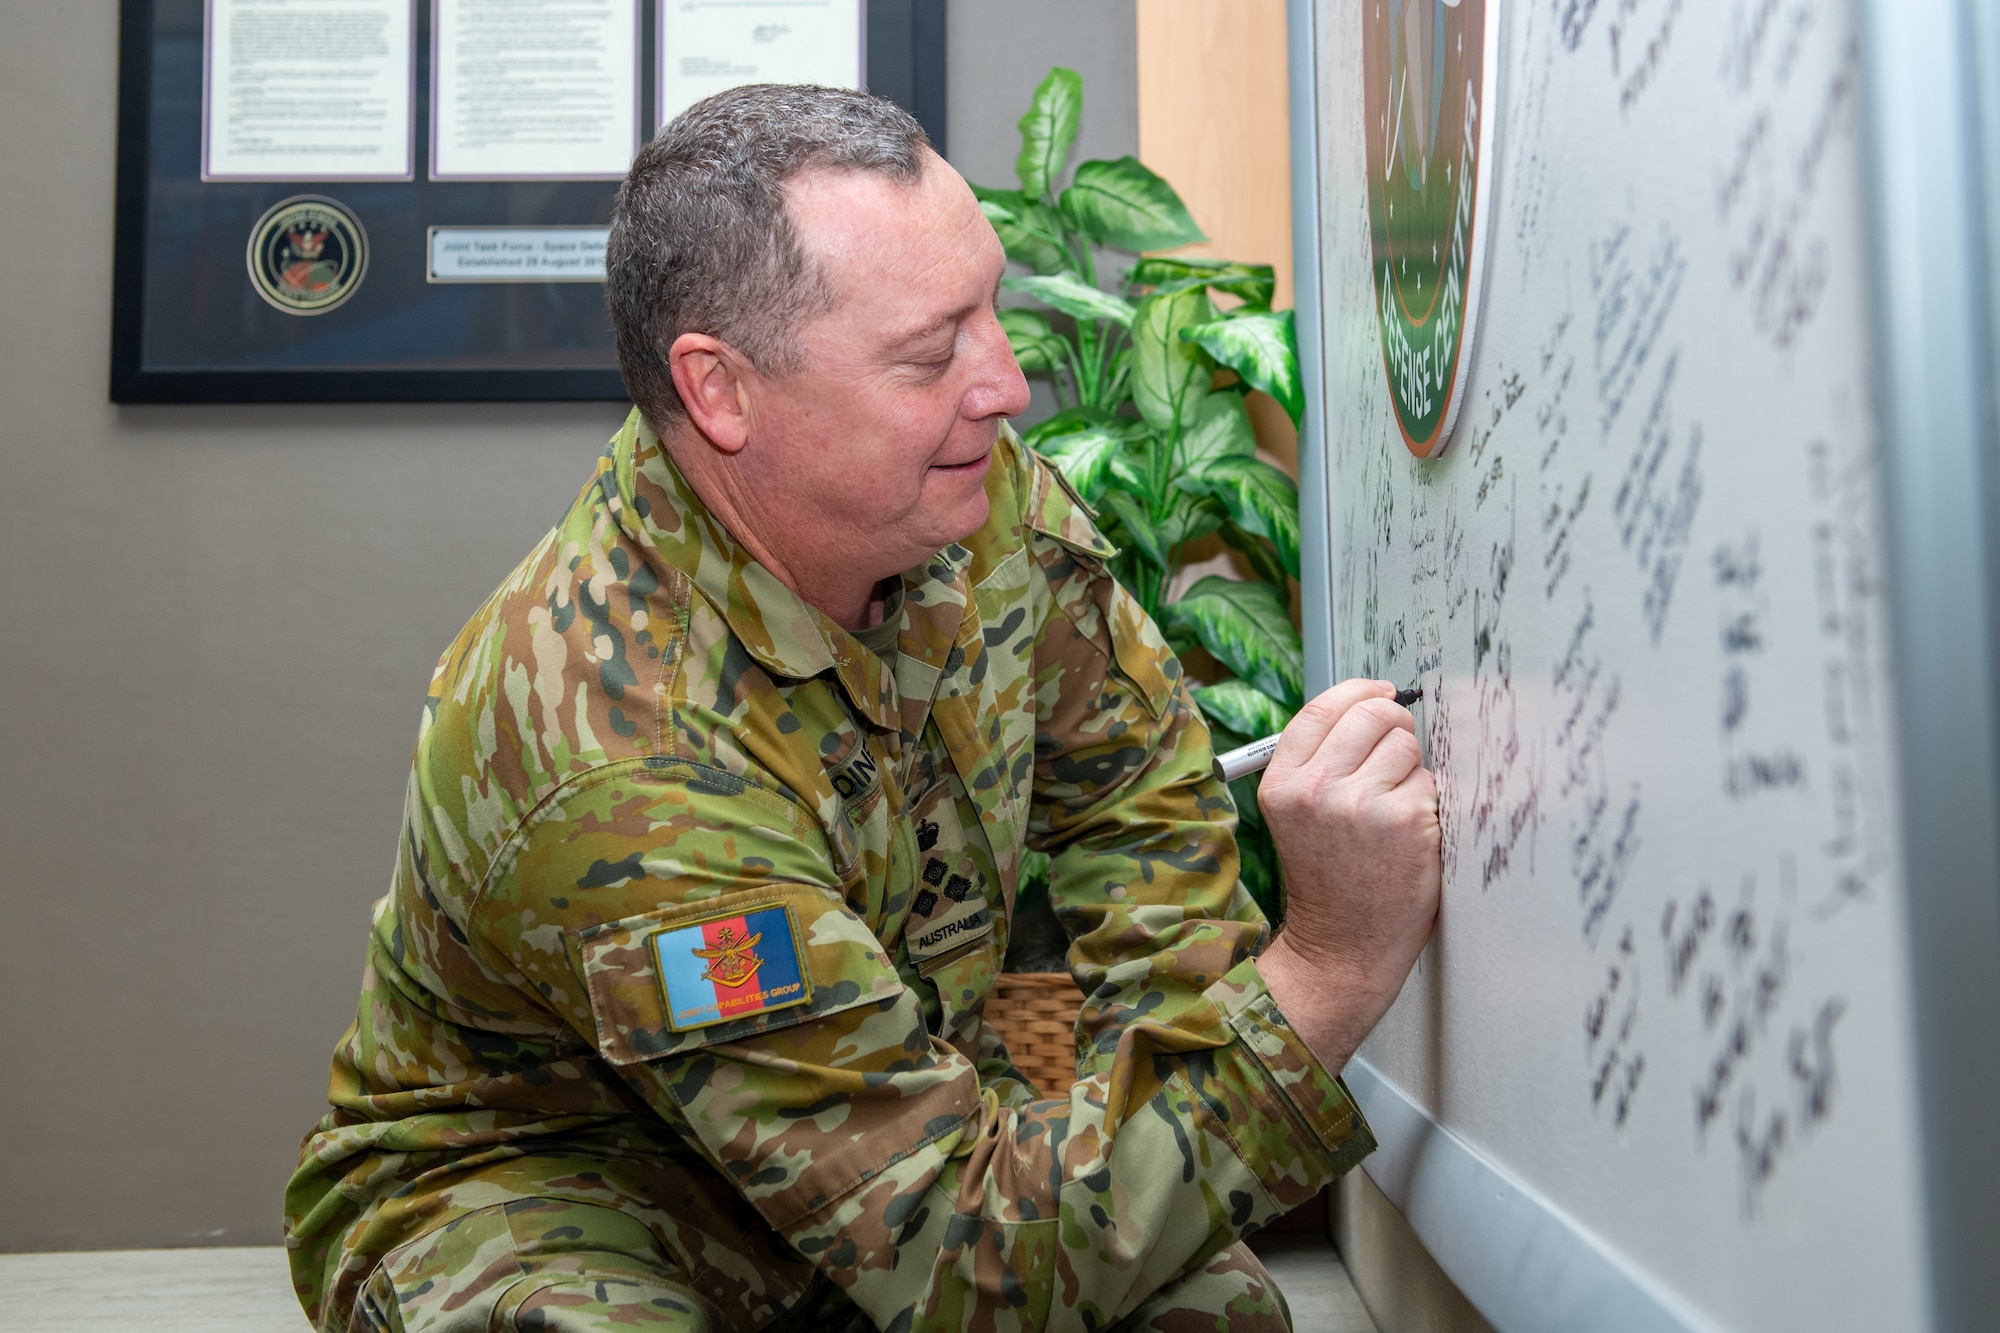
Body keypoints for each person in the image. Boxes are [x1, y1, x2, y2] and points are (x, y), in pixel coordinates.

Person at [284, 84, 1441, 1333]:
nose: (1002, 386)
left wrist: (1135, 1121)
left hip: (921, 1090)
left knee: (1201, 1310)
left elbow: (1129, 806)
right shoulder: (624, 760)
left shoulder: (966, 492)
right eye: (929, 349)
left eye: (991, 309)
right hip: (587, 1191)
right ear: (720, 392)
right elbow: (965, 1260)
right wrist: (1324, 969)